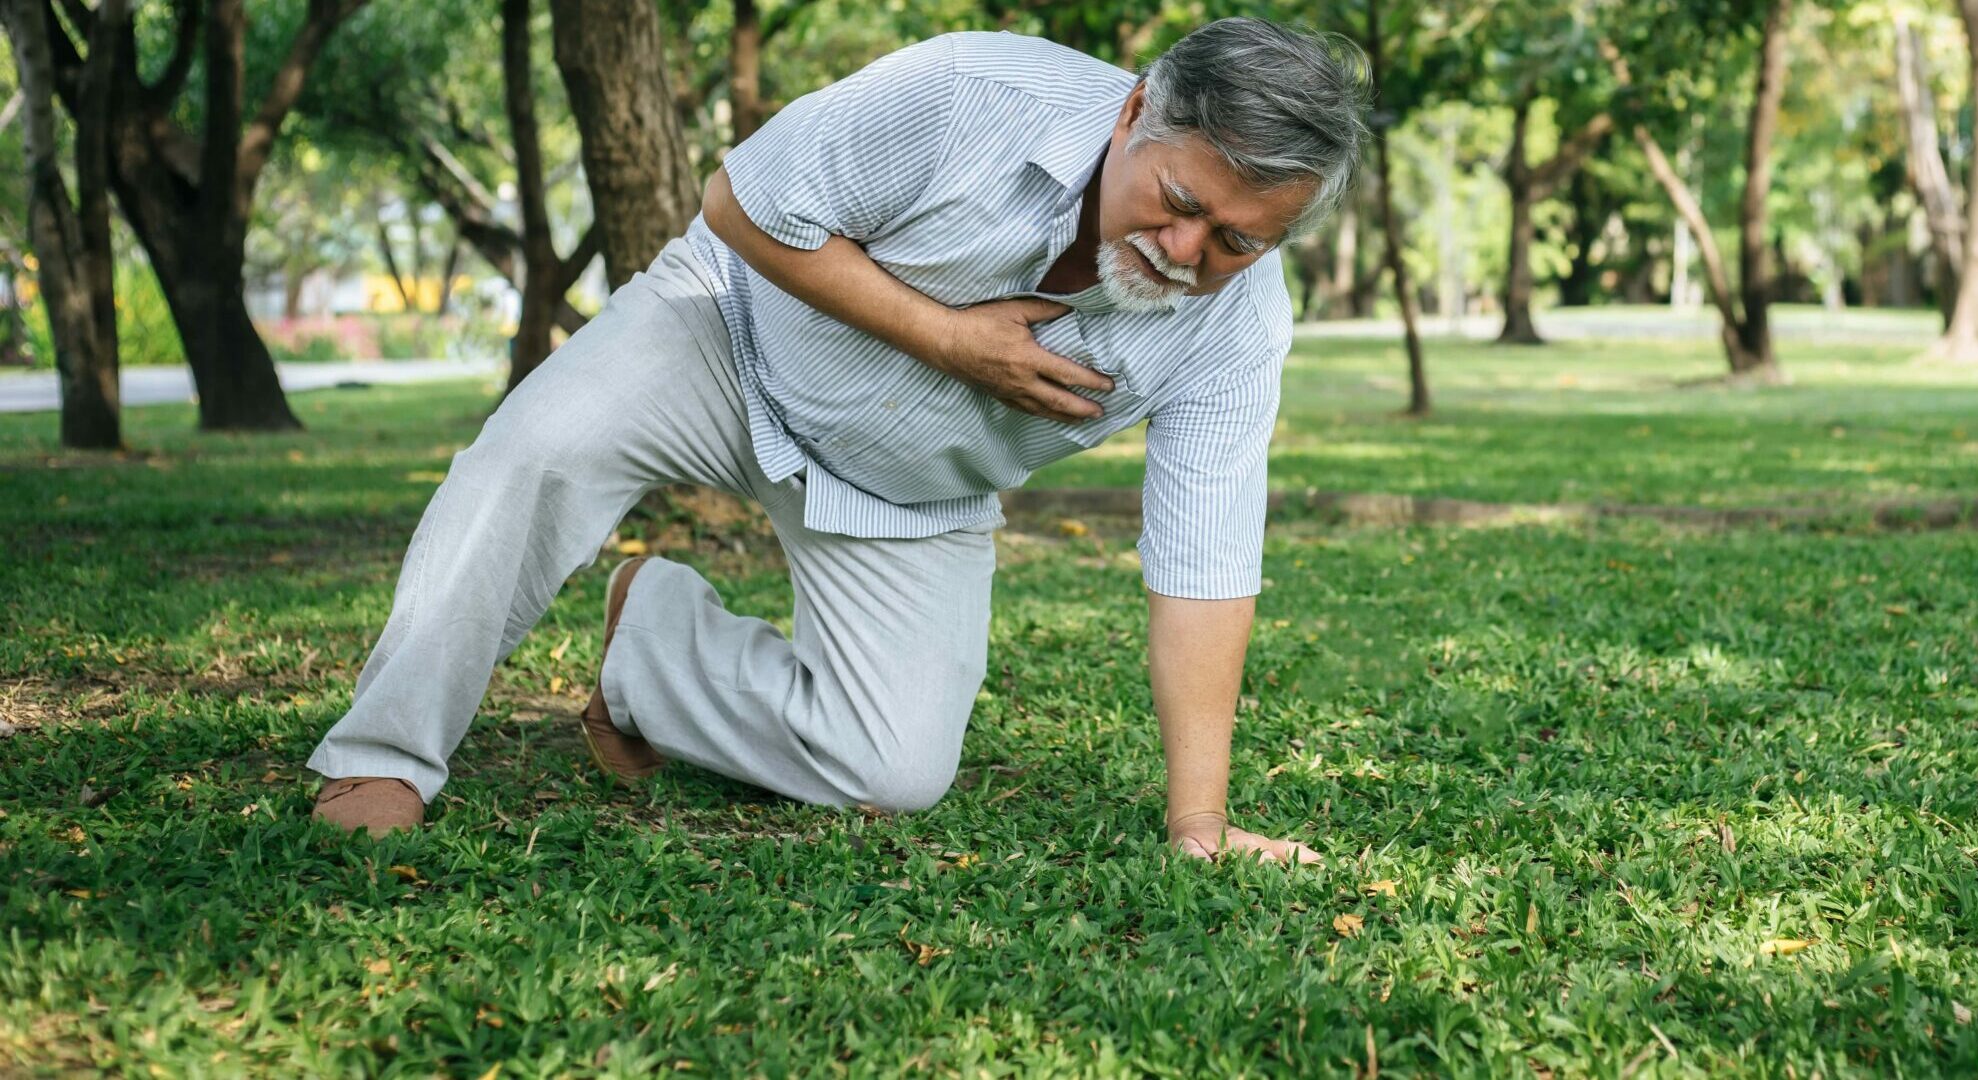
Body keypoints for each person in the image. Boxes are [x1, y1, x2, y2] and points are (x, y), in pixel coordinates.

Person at [303, 18, 1369, 865]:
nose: (1186, 251)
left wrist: (1200, 826)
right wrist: (949, 340)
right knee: (537, 450)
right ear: (1137, 110)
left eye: (1236, 239)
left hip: (909, 490)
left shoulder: (1239, 326)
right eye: (1178, 202)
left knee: (895, 768)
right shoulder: (970, 92)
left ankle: (649, 645)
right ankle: (381, 754)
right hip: (728, 335)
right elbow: (740, 204)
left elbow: (1204, 564)